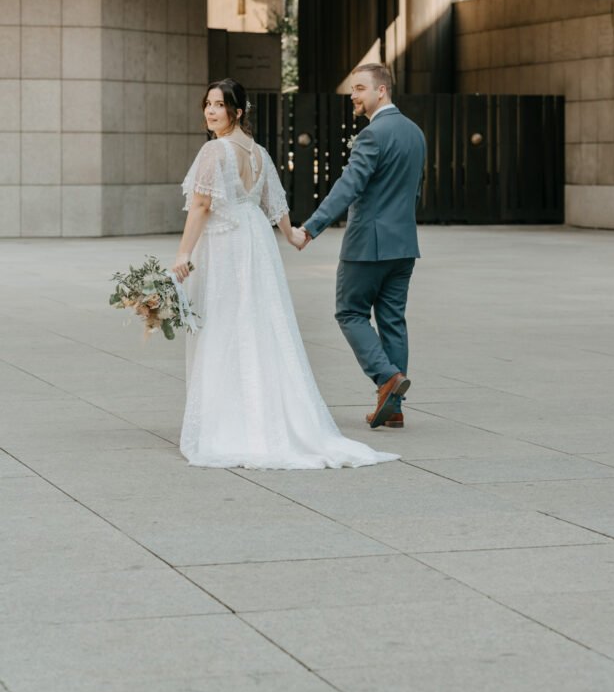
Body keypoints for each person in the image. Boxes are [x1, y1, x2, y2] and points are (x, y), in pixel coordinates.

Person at [171, 77, 399, 471]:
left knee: (225, 325)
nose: (210, 111)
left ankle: (230, 419)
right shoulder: (258, 153)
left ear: (237, 111)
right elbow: (274, 204)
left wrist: (183, 253)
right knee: (259, 326)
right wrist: (294, 236)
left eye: (219, 105)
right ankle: (265, 412)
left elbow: (202, 205)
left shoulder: (214, 150)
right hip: (255, 242)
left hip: (227, 245)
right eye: (207, 104)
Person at [300, 64, 426, 430]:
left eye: (359, 88)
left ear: (382, 91)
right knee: (392, 321)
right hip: (404, 243)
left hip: (368, 244)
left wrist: (310, 229)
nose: (353, 96)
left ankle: (386, 378)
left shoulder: (373, 135)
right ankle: (394, 407)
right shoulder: (415, 133)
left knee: (350, 312)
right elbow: (415, 190)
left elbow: (348, 186)